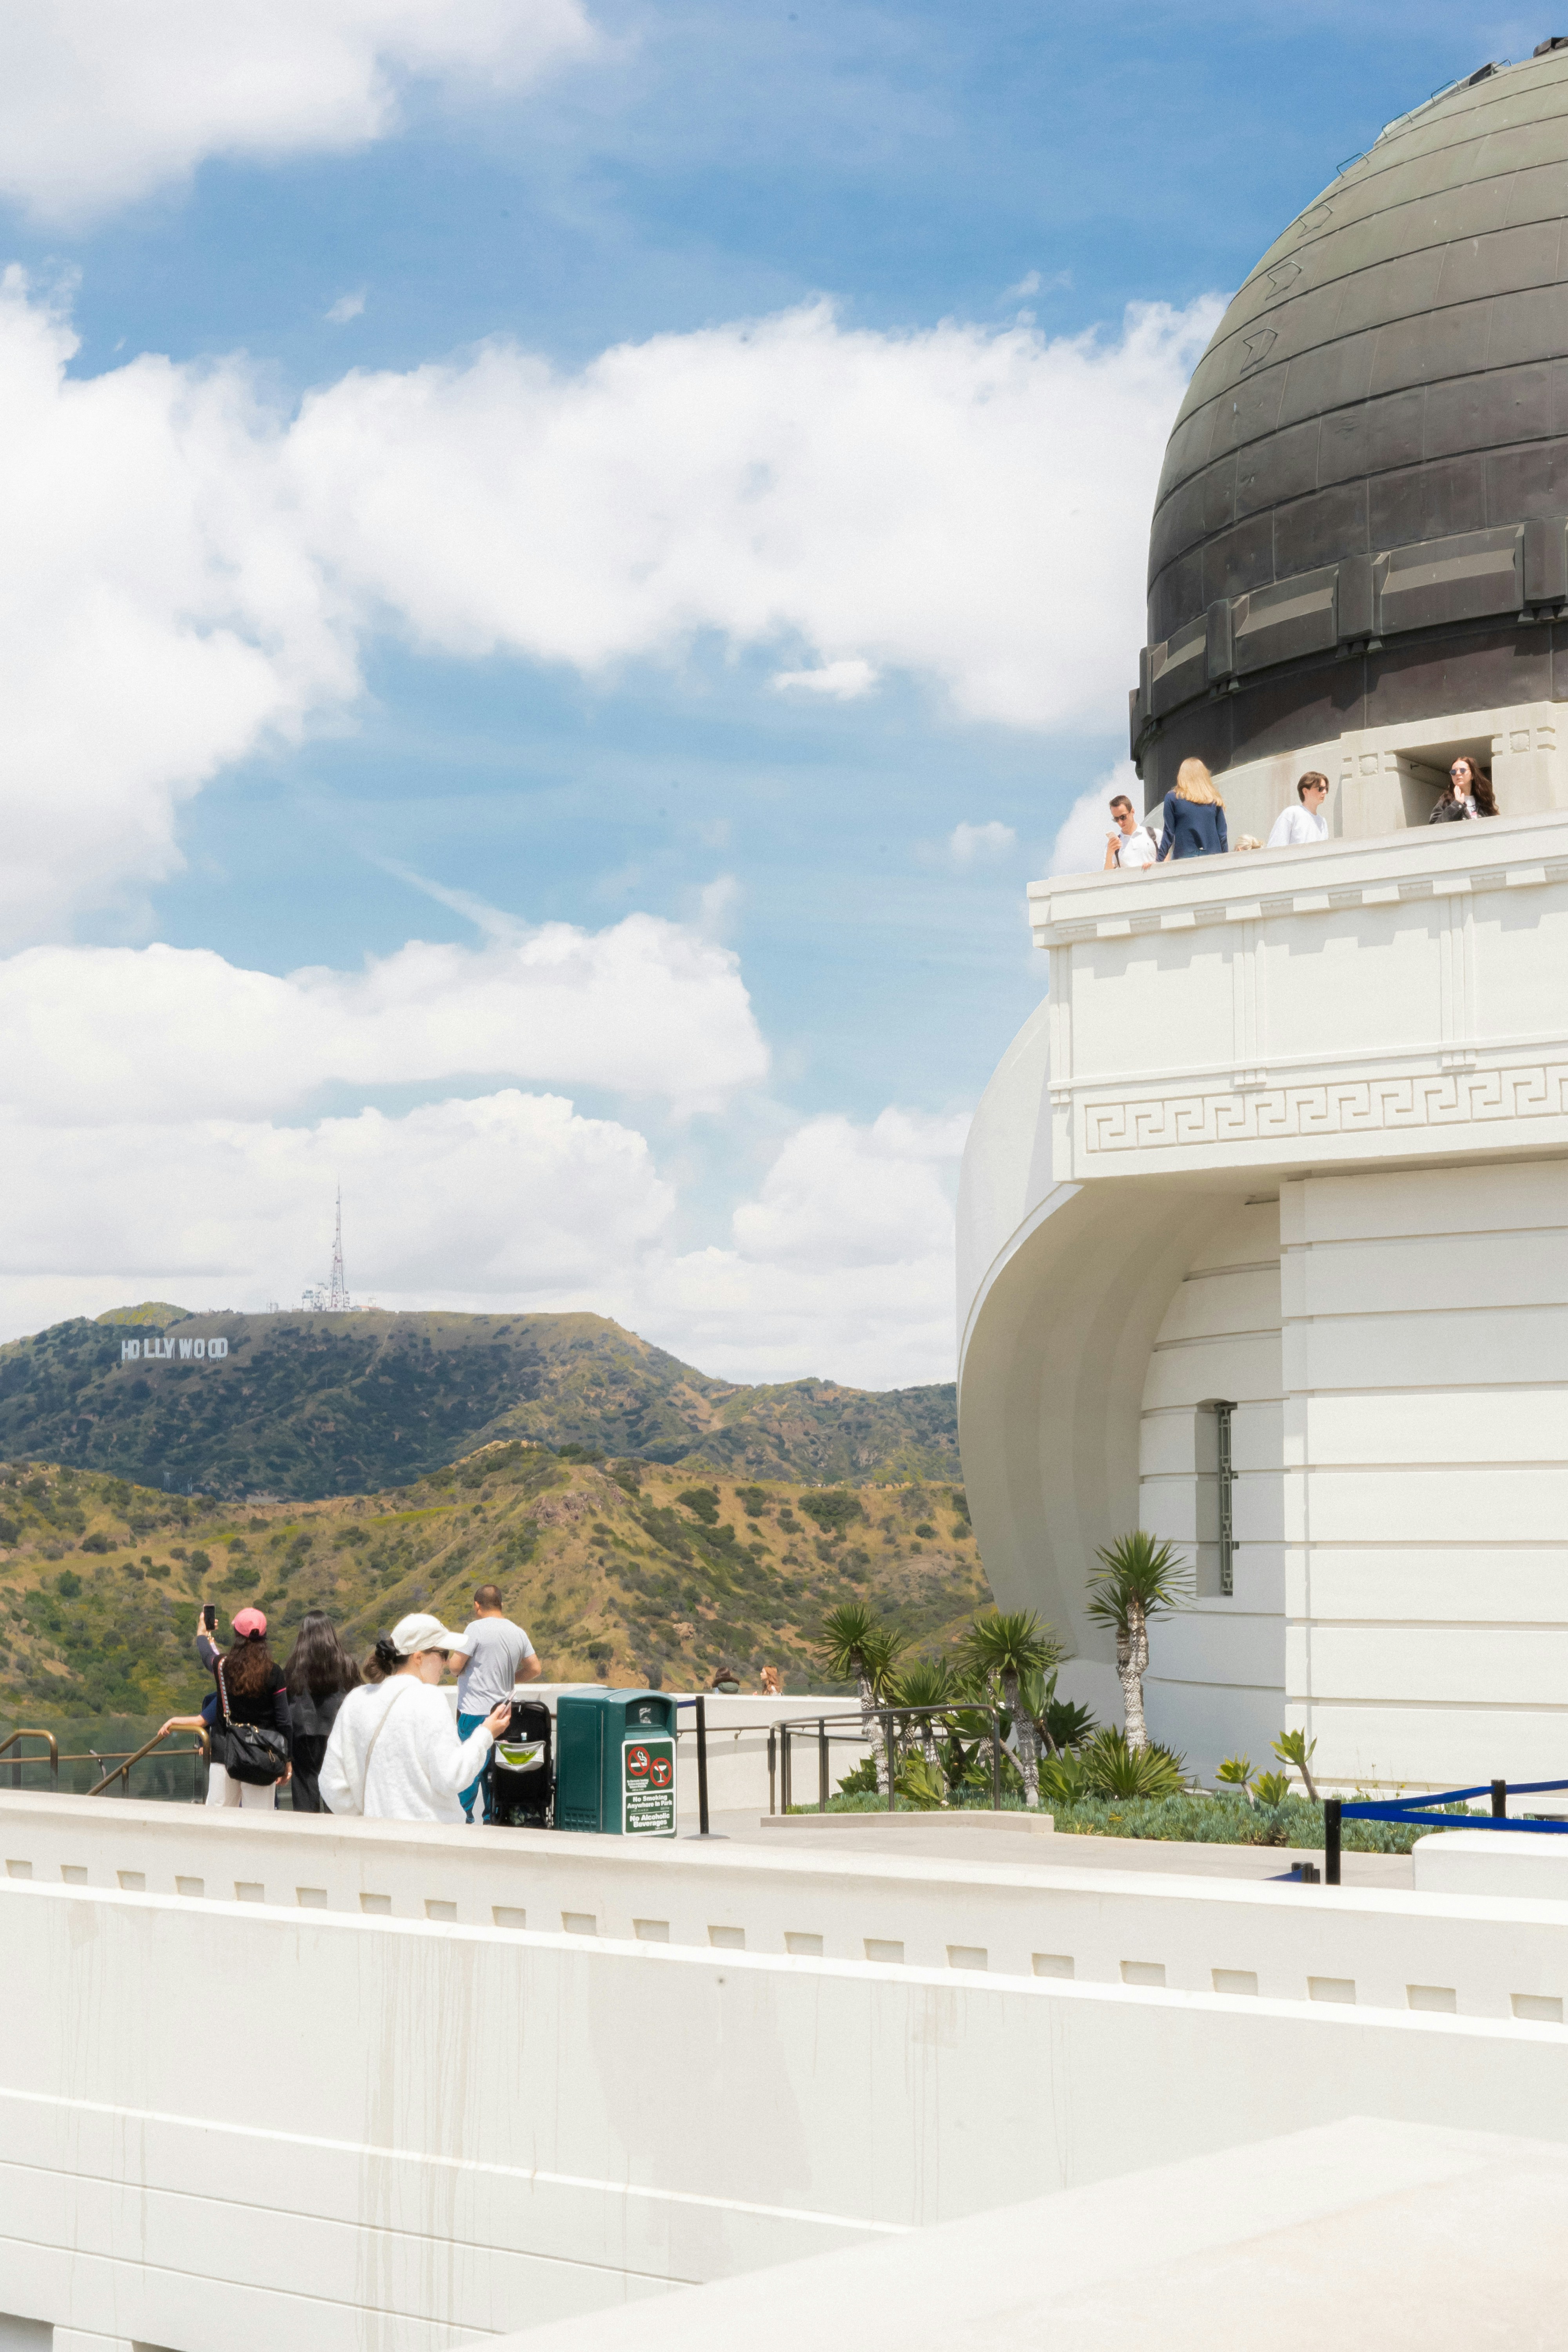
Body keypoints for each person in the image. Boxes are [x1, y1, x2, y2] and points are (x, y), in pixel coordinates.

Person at [319, 1613, 510, 1823]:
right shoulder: (428, 1698)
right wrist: (486, 1734)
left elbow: (332, 1784)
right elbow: (452, 1777)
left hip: (375, 1842)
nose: (446, 1663)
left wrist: (369, 1817)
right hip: (428, 1843)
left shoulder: (357, 1699)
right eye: (442, 1653)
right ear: (418, 1657)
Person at [455, 1584, 541, 1824]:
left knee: (470, 1769)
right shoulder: (517, 1632)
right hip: (504, 1715)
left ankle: (465, 1819)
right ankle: (492, 1819)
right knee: (496, 1771)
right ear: (501, 1604)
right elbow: (535, 1668)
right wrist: (509, 1678)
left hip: (474, 1712)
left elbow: (454, 1667)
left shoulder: (474, 1629)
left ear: (477, 1606)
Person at [191, 1607, 290, 1810]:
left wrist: (202, 1632)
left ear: (237, 1635)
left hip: (224, 1753)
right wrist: (287, 1759)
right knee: (259, 1821)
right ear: (264, 1636)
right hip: (263, 1756)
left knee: (218, 1818)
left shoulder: (223, 1667)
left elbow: (206, 1655)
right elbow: (284, 1722)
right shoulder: (274, 1673)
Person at [282, 1613, 362, 1813]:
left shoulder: (293, 1666)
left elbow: (285, 1705)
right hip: (337, 1734)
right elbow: (359, 1699)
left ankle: (307, 1839)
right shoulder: (346, 1664)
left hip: (302, 1736)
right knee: (335, 1789)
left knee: (304, 1789)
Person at [1158, 758, 1229, 860]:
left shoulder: (1173, 798)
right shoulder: (1214, 800)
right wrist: (1226, 859)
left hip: (1185, 856)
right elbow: (1222, 834)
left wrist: (1159, 860)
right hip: (1213, 857)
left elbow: (1169, 832)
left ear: (1181, 776)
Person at [1267, 771, 1331, 847]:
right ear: (1306, 791)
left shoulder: (1322, 821)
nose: (1325, 792)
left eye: (1326, 789)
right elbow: (1276, 846)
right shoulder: (1292, 813)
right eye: (1320, 789)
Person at [1429, 756, 1499, 820]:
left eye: (1462, 770)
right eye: (1454, 772)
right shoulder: (1446, 801)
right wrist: (1457, 804)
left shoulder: (1483, 801)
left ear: (1473, 775)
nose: (1458, 774)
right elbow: (1435, 826)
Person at [1103, 793, 1158, 871]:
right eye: (1116, 819)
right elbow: (1106, 876)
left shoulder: (1154, 835)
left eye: (1123, 817)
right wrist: (1109, 854)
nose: (1120, 822)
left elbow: (1167, 859)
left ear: (1132, 812)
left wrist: (1157, 865)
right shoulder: (1114, 846)